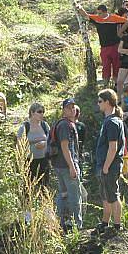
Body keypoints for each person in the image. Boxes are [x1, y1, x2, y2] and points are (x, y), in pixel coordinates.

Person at [95, 90, 126, 236]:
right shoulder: (109, 120)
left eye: (100, 101)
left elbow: (113, 148)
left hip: (110, 166)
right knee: (105, 196)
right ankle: (105, 223)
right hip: (104, 165)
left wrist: (106, 166)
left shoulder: (113, 122)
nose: (98, 104)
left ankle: (117, 225)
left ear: (108, 102)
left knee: (113, 195)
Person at [51, 98, 82, 231]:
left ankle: (60, 222)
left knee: (63, 194)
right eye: (69, 107)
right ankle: (77, 226)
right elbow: (65, 147)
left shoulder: (64, 123)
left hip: (59, 165)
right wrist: (72, 166)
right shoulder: (65, 125)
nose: (72, 109)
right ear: (63, 110)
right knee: (75, 196)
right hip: (66, 166)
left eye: (74, 107)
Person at [77, 4, 126, 87]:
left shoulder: (114, 18)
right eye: (98, 13)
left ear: (105, 12)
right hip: (104, 48)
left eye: (100, 13)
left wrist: (121, 31)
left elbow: (126, 21)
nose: (98, 15)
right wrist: (80, 8)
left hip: (115, 46)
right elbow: (86, 16)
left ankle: (116, 85)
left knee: (116, 65)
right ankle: (105, 85)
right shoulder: (97, 19)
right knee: (105, 66)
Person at [17, 102, 50, 188]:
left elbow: (52, 140)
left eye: (43, 112)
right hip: (29, 162)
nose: (42, 114)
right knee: (27, 189)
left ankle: (44, 201)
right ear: (32, 112)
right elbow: (19, 146)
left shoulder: (45, 125)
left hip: (44, 160)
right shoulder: (24, 127)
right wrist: (32, 146)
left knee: (44, 187)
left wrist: (44, 143)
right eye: (39, 111)